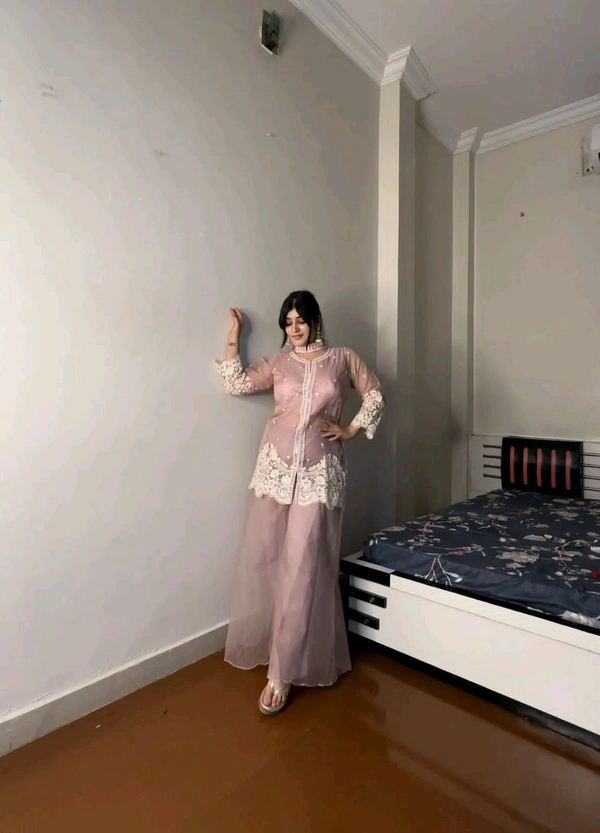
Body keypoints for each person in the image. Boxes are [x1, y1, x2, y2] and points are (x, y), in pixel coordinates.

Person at [216, 290, 385, 715]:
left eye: (300, 320)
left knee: (304, 565)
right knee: (268, 558)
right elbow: (236, 383)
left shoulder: (343, 358)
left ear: (315, 320)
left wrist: (349, 430)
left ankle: (282, 672)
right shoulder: (279, 362)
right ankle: (274, 645)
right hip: (275, 469)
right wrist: (235, 334)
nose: (294, 328)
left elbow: (375, 395)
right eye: (287, 322)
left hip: (319, 473)